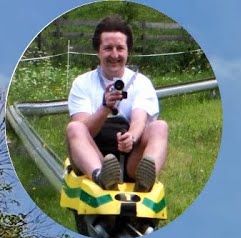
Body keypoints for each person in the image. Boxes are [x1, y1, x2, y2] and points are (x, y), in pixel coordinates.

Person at [65, 17, 168, 192]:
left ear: (128, 51)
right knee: (74, 128)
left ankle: (146, 180)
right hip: (94, 155)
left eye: (120, 48)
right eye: (108, 48)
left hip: (130, 160)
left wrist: (131, 138)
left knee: (160, 126)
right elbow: (81, 130)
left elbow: (139, 120)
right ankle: (101, 176)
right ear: (98, 52)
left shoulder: (141, 83)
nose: (114, 55)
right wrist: (105, 108)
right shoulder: (82, 83)